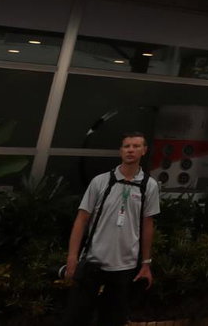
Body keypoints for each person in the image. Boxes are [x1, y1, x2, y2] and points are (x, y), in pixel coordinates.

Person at [63, 132, 158, 326]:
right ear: (120, 151)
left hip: (125, 266)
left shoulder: (149, 186)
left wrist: (146, 263)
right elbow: (82, 219)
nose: (130, 150)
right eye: (126, 146)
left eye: (136, 146)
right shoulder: (101, 181)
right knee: (77, 317)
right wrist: (72, 257)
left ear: (144, 151)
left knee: (113, 319)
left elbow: (148, 224)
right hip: (93, 261)